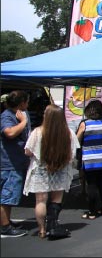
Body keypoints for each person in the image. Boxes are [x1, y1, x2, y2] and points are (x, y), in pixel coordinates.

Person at [23, 104, 80, 239]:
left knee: (40, 200)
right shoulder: (69, 133)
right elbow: (72, 154)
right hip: (60, 169)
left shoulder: (37, 132)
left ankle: (42, 229)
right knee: (56, 200)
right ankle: (53, 225)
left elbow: (28, 152)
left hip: (41, 170)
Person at [76, 100, 102, 220]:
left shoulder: (85, 124)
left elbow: (76, 140)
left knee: (91, 185)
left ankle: (92, 211)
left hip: (89, 159)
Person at [1, 90, 30, 238]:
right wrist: (23, 122)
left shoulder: (20, 114)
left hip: (17, 161)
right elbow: (9, 133)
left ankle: (6, 221)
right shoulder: (7, 116)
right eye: (26, 101)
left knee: (11, 195)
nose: (28, 104)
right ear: (21, 103)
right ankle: (5, 227)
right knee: (7, 195)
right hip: (9, 163)